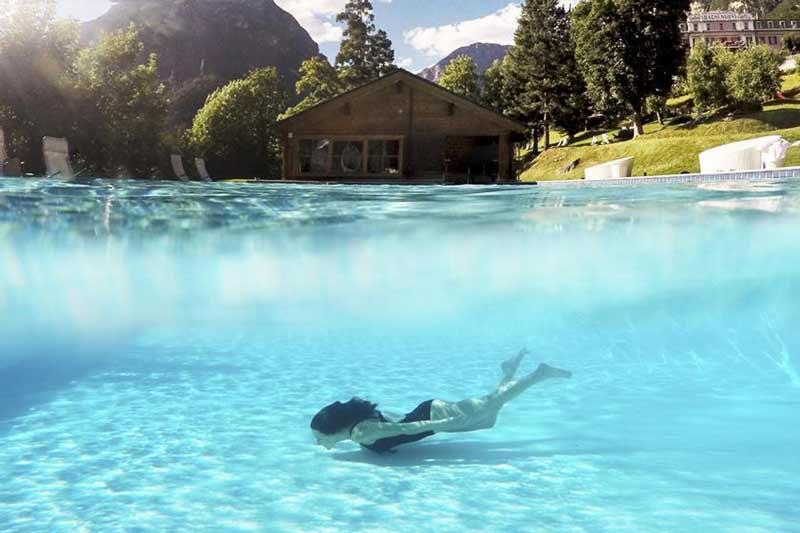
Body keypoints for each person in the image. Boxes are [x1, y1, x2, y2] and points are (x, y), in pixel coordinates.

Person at [310, 349, 572, 454]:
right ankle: (509, 370)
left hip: (435, 417)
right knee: (489, 407)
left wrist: (444, 423)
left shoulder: (361, 433)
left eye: (320, 437)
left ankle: (539, 373)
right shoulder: (360, 429)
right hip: (430, 410)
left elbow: (405, 428)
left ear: (334, 429)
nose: (318, 443)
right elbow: (395, 422)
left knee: (491, 404)